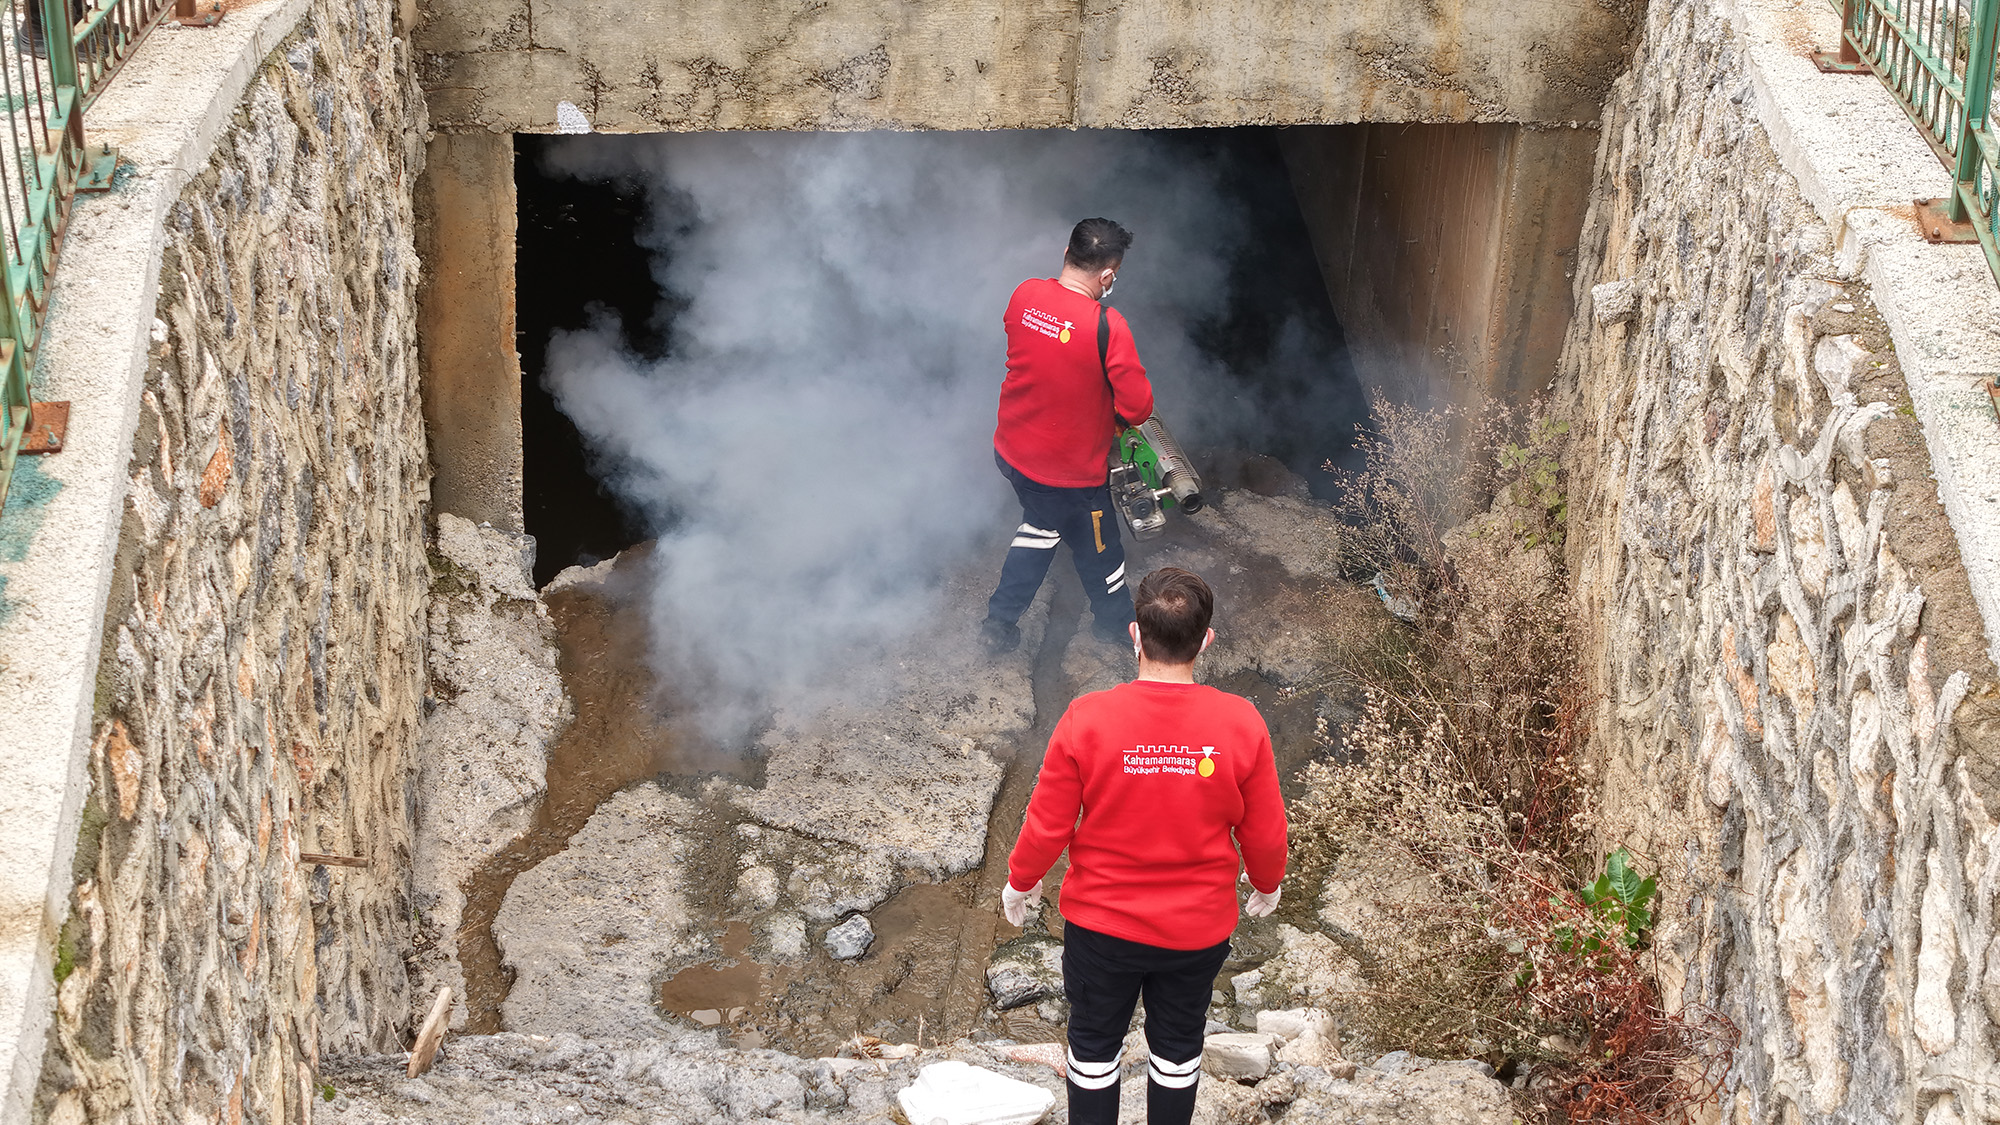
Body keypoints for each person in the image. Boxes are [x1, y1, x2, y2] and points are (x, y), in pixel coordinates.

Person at [1000, 567, 1287, 1125]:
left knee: (1093, 1046)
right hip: (1197, 928)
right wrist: (1268, 881)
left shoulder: (1088, 718)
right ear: (1205, 640)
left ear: (1135, 634)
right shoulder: (1241, 722)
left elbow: (1048, 821)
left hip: (1101, 926)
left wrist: (1022, 879)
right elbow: (1265, 828)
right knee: (1179, 1048)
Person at [980, 218, 1156, 655]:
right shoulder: (1107, 326)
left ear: (1066, 252)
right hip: (1066, 473)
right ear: (1109, 275)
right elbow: (1138, 408)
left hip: (1012, 449)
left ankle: (1103, 622)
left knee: (1068, 531)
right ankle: (1002, 624)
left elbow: (1035, 352)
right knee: (1071, 542)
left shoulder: (1025, 294)